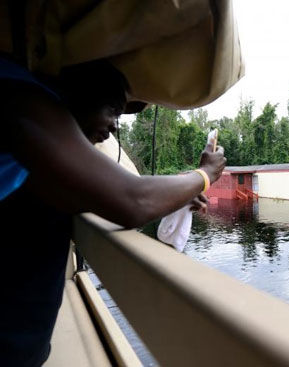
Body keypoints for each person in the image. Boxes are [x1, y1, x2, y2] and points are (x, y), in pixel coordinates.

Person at [0, 56, 226, 366]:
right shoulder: (20, 98)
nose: (114, 127)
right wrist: (204, 176)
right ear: (74, 93)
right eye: (112, 110)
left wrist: (176, 195)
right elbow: (133, 201)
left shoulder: (39, 151)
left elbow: (100, 198)